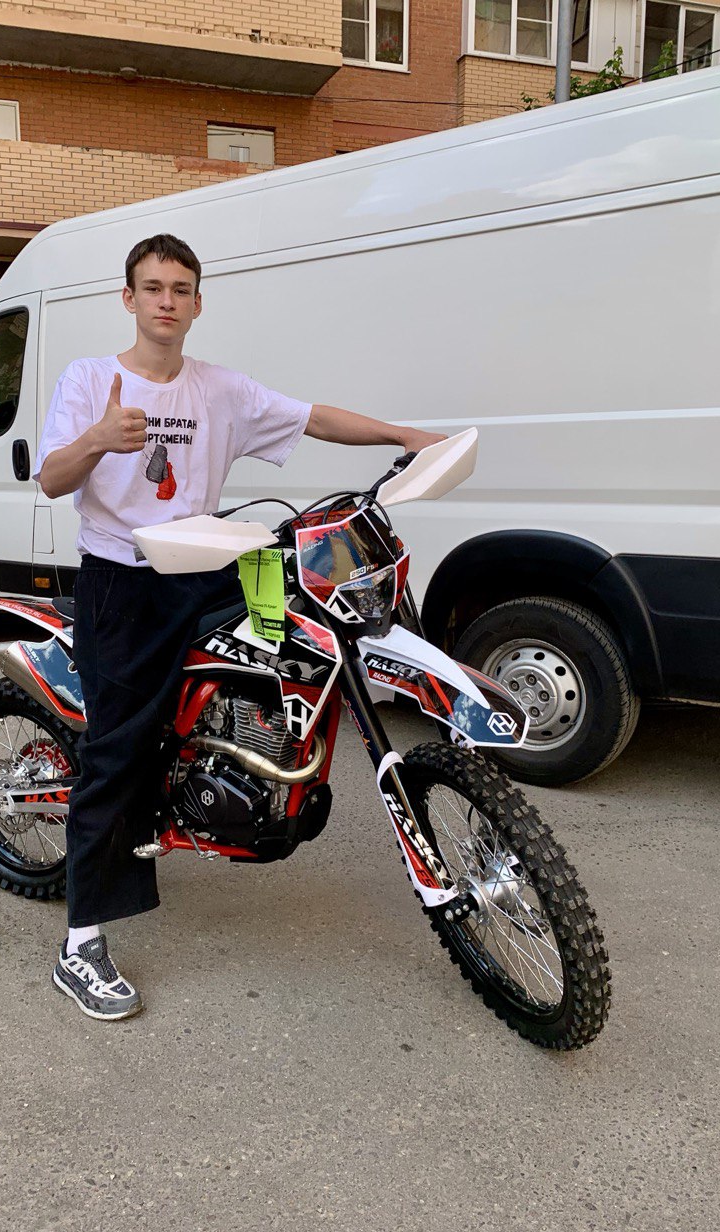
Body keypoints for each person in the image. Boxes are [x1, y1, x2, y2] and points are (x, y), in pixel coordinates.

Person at [34, 233, 444, 1021]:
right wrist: (97, 440)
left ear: (197, 302)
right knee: (116, 753)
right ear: (129, 298)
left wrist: (403, 437)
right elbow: (52, 479)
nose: (166, 300)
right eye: (153, 287)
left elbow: (313, 417)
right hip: (124, 580)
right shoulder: (89, 380)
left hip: (207, 560)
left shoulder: (218, 389)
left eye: (180, 289)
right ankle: (81, 943)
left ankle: (242, 777)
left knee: (301, 634)